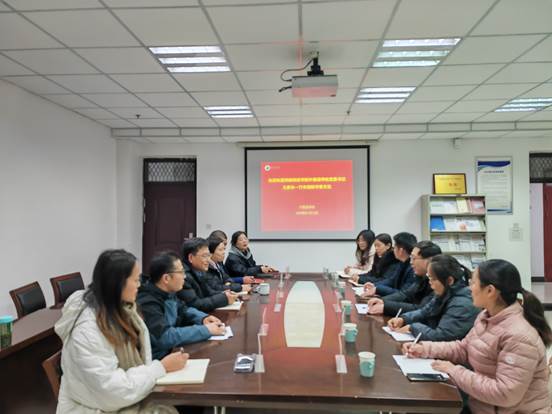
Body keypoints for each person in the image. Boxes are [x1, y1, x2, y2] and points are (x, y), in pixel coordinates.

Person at [404, 259, 552, 414]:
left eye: (473, 283)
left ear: (490, 291)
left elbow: (505, 394)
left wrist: (454, 371)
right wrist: (424, 348)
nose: (469, 288)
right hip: (481, 406)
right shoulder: (486, 316)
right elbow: (464, 348)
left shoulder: (519, 336)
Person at [55, 249, 186, 414]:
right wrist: (159, 368)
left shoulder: (122, 309)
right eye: (136, 279)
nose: (140, 284)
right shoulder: (87, 330)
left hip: (122, 401)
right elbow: (111, 391)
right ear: (117, 283)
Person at [137, 251, 226, 360]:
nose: (184, 276)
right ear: (166, 278)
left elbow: (183, 309)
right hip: (157, 360)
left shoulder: (169, 292)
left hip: (172, 352)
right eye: (181, 272)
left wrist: (203, 318)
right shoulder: (147, 302)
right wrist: (206, 330)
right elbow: (165, 337)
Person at [388, 254, 479, 341]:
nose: (430, 282)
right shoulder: (444, 292)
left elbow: (442, 336)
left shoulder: (462, 304)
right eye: (429, 277)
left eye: (433, 279)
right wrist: (403, 319)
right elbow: (424, 311)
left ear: (449, 280)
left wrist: (413, 327)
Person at [367, 240, 441, 315]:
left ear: (429, 261)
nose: (411, 262)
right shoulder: (421, 277)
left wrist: (385, 307)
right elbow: (405, 295)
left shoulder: (439, 281)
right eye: (411, 258)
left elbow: (421, 309)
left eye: (414, 258)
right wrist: (382, 301)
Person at [177, 238, 237, 312]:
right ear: (191, 257)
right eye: (204, 256)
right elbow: (195, 305)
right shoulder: (183, 276)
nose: (208, 260)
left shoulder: (200, 271)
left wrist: (225, 294)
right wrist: (224, 299)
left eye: (209, 255)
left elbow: (208, 292)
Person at [362, 232, 417, 297]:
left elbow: (403, 294)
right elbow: (391, 280)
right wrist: (374, 285)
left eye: (395, 246)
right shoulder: (402, 263)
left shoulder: (413, 268)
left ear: (401, 250)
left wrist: (378, 289)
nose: (393, 249)